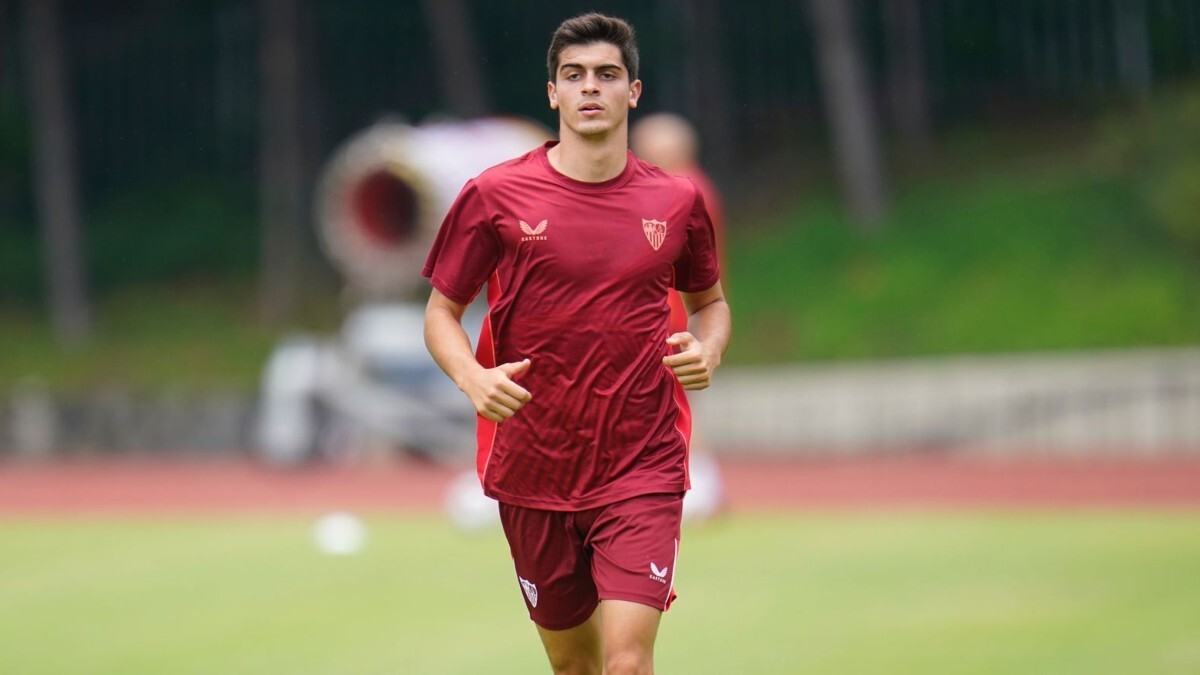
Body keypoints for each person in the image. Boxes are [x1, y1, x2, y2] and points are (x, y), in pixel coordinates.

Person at [422, 12, 730, 675]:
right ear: (553, 92)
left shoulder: (676, 200)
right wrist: (473, 379)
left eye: (607, 74)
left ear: (633, 92)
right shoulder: (494, 194)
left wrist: (709, 349)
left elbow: (712, 303)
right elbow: (441, 313)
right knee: (575, 666)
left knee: (627, 662)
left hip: (642, 463)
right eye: (575, 75)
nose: (591, 87)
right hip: (534, 466)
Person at [630, 112, 730, 523]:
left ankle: (699, 481)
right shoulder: (692, 188)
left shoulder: (679, 192)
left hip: (668, 313)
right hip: (675, 311)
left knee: (673, 400)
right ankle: (697, 480)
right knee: (674, 400)